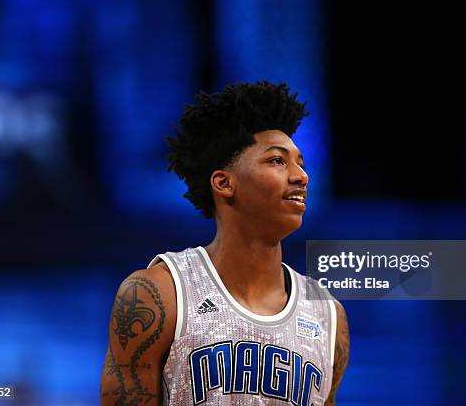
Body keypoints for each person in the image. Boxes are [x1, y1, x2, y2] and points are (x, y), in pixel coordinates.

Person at [100, 81, 350, 405]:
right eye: (277, 161)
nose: (300, 175)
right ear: (224, 183)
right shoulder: (158, 295)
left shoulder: (328, 316)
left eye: (300, 162)